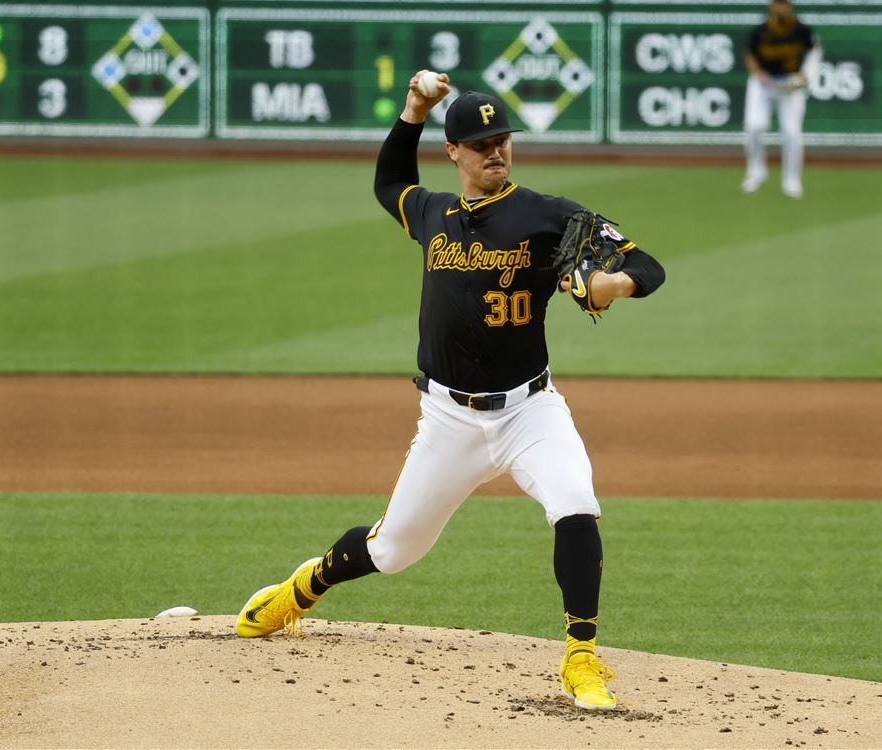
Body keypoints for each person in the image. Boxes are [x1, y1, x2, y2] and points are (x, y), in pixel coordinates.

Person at [233, 74, 666, 711]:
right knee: (395, 549)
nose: (496, 151)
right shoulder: (434, 213)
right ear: (453, 152)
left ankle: (581, 656)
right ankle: (306, 586)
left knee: (575, 500)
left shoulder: (551, 215)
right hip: (446, 418)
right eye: (480, 141)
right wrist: (411, 111)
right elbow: (389, 185)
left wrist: (614, 286)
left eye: (503, 139)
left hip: (530, 410)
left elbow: (648, 265)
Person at [741, 0, 822, 199]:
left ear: (790, 5)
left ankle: (792, 180)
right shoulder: (761, 30)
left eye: (784, 2)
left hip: (790, 85)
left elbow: (815, 50)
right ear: (771, 4)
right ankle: (756, 171)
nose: (781, 6)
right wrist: (758, 74)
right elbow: (749, 55)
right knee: (754, 127)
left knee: (792, 133)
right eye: (778, 2)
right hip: (764, 83)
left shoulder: (800, 29)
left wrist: (806, 75)